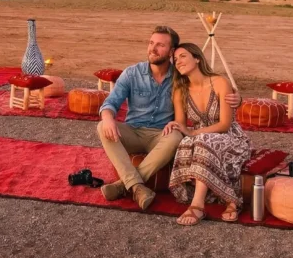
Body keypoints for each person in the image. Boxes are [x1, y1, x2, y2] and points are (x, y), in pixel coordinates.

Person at [96, 26, 242, 211]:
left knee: (175, 136)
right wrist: (108, 117)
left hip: (162, 136)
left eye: (160, 45)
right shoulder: (132, 73)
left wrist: (238, 98)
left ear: (171, 51)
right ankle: (136, 186)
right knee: (102, 126)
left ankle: (123, 185)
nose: (153, 49)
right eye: (151, 43)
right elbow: (111, 102)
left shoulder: (180, 76)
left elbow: (207, 84)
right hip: (133, 131)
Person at [166, 42, 252, 226]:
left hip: (230, 136)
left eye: (183, 56)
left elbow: (224, 124)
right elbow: (182, 124)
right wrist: (174, 126)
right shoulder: (179, 90)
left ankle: (197, 206)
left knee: (202, 140)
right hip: (201, 137)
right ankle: (229, 199)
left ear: (197, 58)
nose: (178, 61)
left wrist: (193, 132)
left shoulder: (220, 82)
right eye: (175, 59)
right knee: (185, 144)